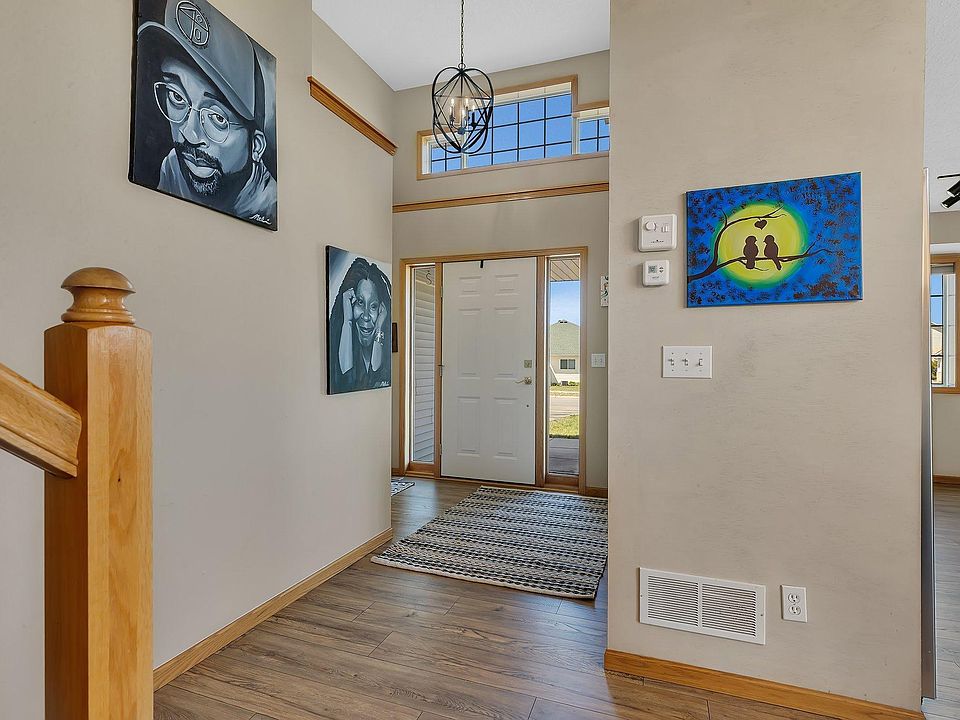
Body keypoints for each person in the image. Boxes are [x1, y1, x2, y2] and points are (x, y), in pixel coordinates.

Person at [134, 0, 277, 229]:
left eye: (217, 118)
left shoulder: (269, 206)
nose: (189, 134)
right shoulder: (173, 167)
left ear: (256, 146)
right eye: (177, 97)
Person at [328, 258, 392, 393]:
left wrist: (379, 327)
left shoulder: (385, 358)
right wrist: (348, 320)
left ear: (382, 309)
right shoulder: (342, 345)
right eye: (360, 302)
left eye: (373, 306)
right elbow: (345, 376)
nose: (366, 316)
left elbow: (376, 370)